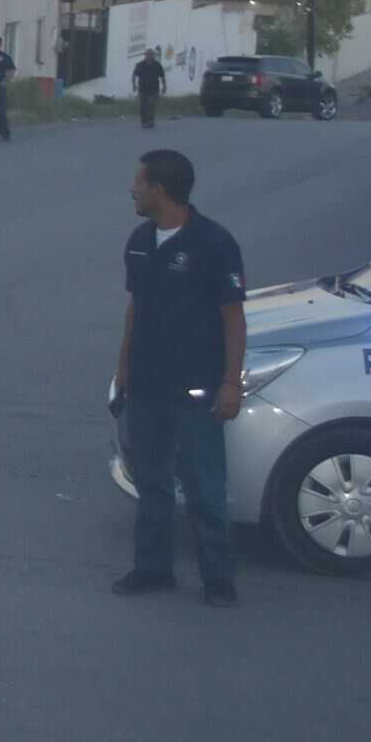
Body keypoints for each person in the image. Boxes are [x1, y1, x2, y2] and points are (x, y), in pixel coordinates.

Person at [110, 148, 246, 606]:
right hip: (147, 384)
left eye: (138, 182)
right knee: (152, 483)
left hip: (197, 387)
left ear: (159, 190)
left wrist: (231, 382)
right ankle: (153, 569)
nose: (132, 189)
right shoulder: (139, 240)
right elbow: (137, 308)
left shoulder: (214, 244)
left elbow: (233, 317)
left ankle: (218, 579)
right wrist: (124, 367)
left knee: (205, 485)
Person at [131, 48, 168, 129]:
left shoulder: (157, 65)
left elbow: (162, 76)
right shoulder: (140, 65)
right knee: (143, 106)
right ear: (145, 56)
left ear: (153, 55)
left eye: (151, 54)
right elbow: (134, 75)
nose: (149, 56)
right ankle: (144, 122)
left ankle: (150, 121)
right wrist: (134, 85)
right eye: (147, 54)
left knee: (151, 106)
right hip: (142, 89)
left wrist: (164, 86)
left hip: (154, 90)